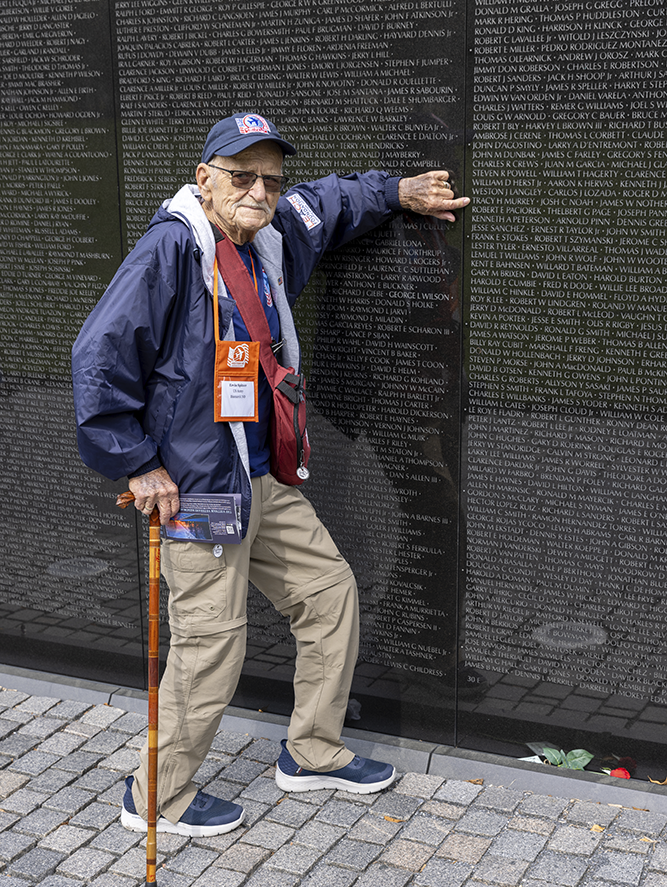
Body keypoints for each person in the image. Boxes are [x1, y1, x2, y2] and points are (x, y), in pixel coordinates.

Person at [72, 113, 469, 838]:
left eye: (268, 178)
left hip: (261, 476)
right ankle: (154, 797)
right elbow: (98, 356)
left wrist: (398, 191)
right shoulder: (170, 251)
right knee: (212, 642)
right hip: (198, 486)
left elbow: (332, 200)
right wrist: (138, 464)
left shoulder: (273, 232)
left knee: (327, 595)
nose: (258, 190)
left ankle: (311, 751)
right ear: (204, 179)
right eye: (240, 175)